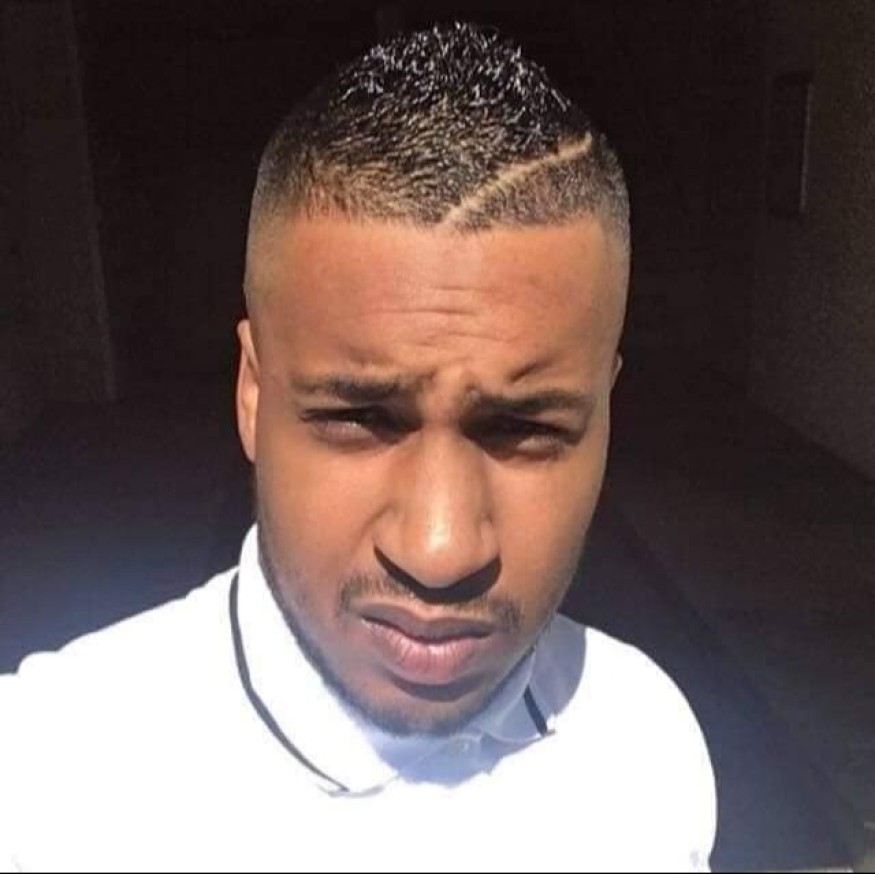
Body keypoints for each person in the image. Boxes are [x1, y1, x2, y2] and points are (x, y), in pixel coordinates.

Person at [0, 22, 716, 872]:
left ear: (606, 417)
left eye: (525, 428)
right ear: (252, 392)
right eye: (359, 417)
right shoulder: (46, 782)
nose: (440, 550)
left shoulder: (643, 747)